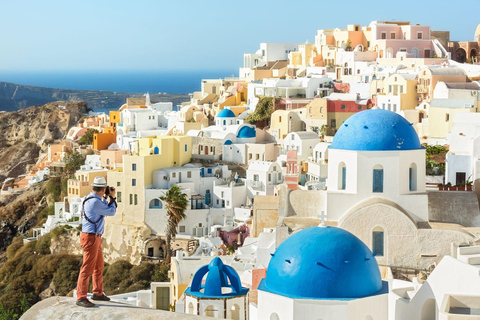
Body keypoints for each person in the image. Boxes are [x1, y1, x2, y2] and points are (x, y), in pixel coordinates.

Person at [76, 176, 117, 308]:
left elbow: (104, 207)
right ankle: (81, 297)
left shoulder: (91, 199)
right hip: (91, 237)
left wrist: (106, 197)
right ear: (103, 189)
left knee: (98, 266)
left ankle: (98, 292)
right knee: (87, 268)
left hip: (94, 236)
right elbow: (112, 211)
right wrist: (112, 197)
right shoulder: (95, 202)